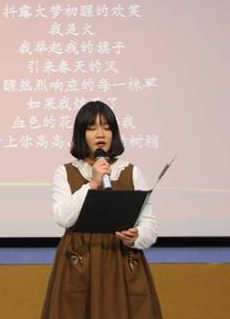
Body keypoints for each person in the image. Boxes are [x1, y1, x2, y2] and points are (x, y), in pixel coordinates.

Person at [41, 100, 163, 318]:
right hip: (80, 261)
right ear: (81, 134)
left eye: (107, 128)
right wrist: (93, 183)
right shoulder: (66, 172)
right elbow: (62, 217)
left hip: (121, 260)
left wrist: (137, 236)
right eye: (92, 128)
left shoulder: (131, 172)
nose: (100, 134)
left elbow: (149, 224)